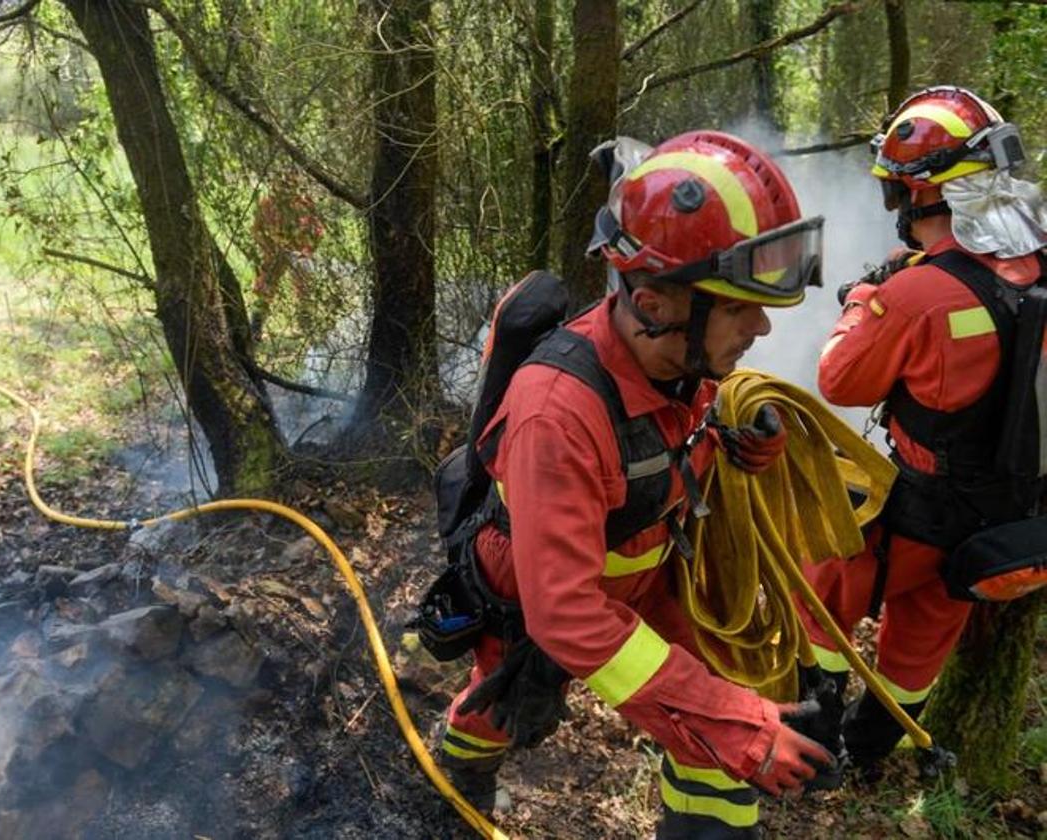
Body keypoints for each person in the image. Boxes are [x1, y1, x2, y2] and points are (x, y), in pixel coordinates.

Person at [437, 130, 833, 838]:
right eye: (740, 307)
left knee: (721, 728)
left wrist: (745, 445)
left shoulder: (682, 363)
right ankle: (458, 776)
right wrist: (741, 726)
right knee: (504, 702)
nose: (764, 326)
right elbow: (568, 615)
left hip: (647, 573)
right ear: (654, 303)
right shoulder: (556, 413)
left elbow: (671, 444)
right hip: (535, 595)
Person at [798, 85, 1047, 775]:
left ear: (923, 194)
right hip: (1008, 521)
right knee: (924, 637)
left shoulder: (913, 294)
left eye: (899, 193)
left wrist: (864, 299)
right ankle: (873, 750)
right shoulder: (1036, 267)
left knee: (818, 585)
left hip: (920, 510)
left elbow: (840, 381)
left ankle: (812, 733)